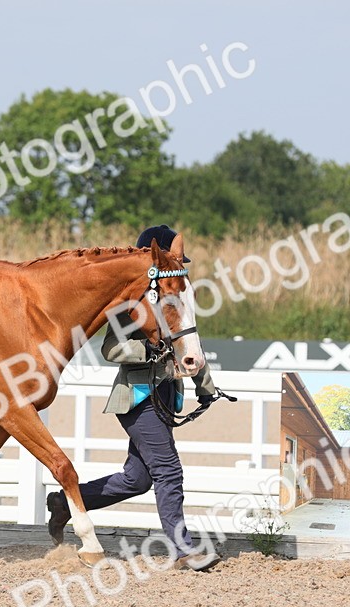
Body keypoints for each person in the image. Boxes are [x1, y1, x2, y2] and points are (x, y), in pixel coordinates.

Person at [46, 224, 222, 572]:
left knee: (137, 480)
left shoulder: (176, 300)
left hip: (165, 396)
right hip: (137, 398)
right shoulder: (131, 306)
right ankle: (183, 549)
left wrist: (205, 387)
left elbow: (189, 344)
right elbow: (111, 349)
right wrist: (150, 349)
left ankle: (67, 503)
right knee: (168, 470)